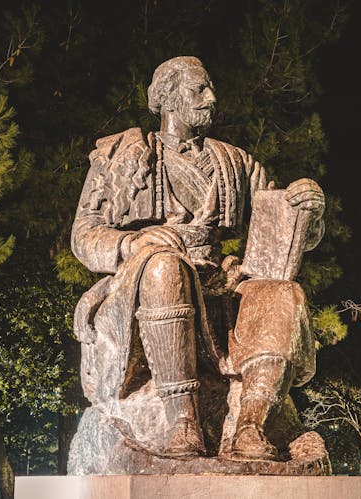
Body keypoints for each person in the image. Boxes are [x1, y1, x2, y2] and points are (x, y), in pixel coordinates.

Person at [71, 56, 324, 462]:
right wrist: (131, 244)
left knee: (282, 294)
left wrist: (307, 211)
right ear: (168, 97)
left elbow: (279, 226)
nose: (212, 97)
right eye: (199, 89)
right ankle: (181, 422)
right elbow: (83, 236)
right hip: (143, 283)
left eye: (210, 88)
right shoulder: (121, 154)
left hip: (218, 285)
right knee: (164, 268)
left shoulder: (235, 162)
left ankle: (249, 427)